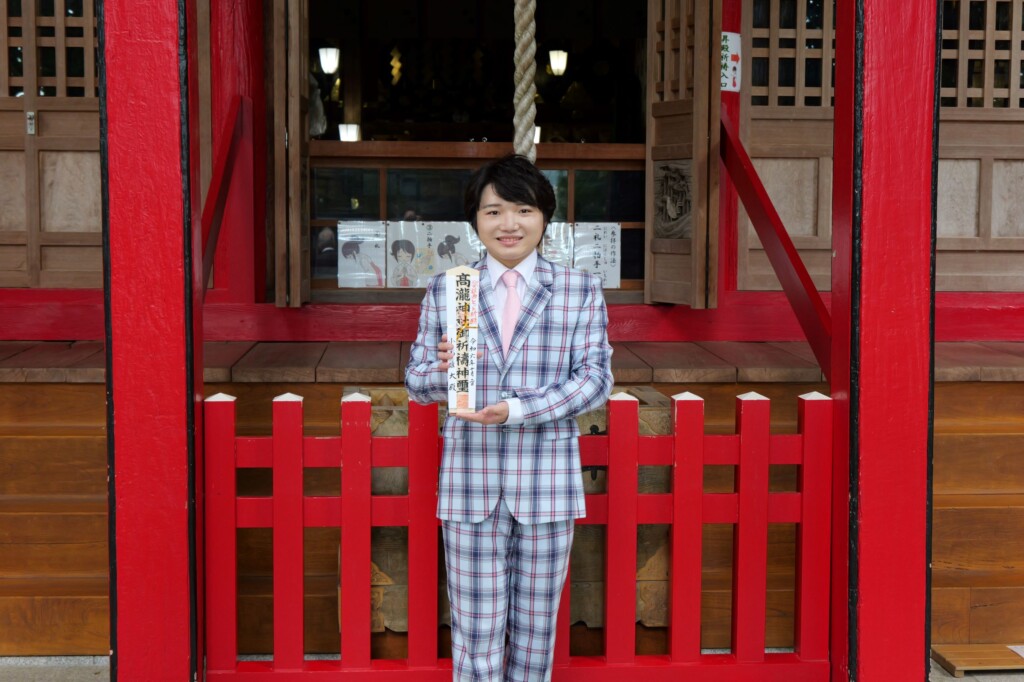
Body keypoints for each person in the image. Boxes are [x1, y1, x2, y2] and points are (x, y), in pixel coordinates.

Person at [405, 154, 613, 681]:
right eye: (493, 211)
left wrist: (517, 411)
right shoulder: (452, 290)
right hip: (470, 485)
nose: (509, 224)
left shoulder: (578, 291)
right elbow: (418, 381)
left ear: (545, 216)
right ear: (475, 220)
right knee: (475, 634)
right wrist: (442, 369)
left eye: (522, 210)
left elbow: (594, 380)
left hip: (546, 483)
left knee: (536, 634)